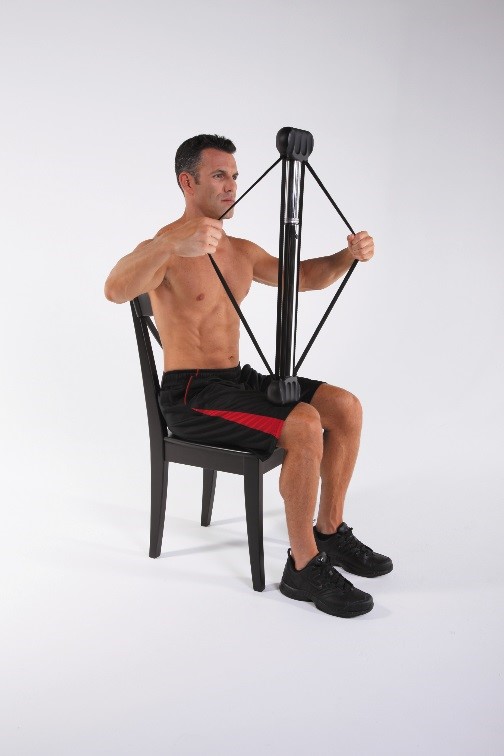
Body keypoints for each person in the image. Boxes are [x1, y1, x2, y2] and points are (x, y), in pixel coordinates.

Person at [104, 133, 392, 617]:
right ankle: (303, 566)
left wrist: (347, 256)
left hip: (237, 381)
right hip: (191, 395)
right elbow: (114, 289)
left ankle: (329, 531)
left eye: (235, 177)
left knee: (345, 407)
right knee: (302, 423)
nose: (231, 186)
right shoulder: (163, 248)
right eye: (219, 175)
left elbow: (304, 277)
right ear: (187, 182)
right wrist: (170, 243)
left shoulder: (239, 251)